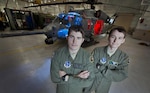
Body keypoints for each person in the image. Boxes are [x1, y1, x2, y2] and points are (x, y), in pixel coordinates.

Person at [84, 26, 129, 93]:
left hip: (105, 84)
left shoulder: (123, 57)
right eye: (113, 37)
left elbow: (122, 74)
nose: (115, 41)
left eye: (119, 38)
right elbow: (90, 66)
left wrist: (104, 70)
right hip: (91, 80)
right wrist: (108, 73)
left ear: (123, 41)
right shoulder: (97, 51)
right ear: (108, 37)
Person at [50, 25, 95, 93]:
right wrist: (77, 76)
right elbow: (54, 78)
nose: (75, 41)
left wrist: (67, 77)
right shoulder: (58, 54)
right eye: (72, 37)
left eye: (78, 38)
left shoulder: (87, 57)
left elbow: (89, 81)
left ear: (82, 40)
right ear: (67, 38)